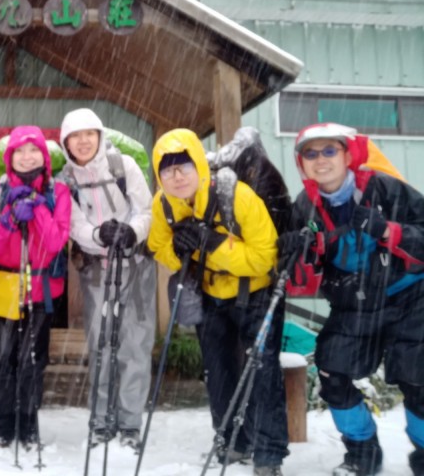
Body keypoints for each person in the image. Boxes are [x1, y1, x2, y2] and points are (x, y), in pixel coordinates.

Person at [279, 123, 424, 476]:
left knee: (417, 378)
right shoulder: (304, 208)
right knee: (332, 372)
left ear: (348, 155)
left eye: (329, 150)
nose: (321, 160)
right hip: (353, 306)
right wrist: (298, 254)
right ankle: (363, 452)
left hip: (408, 297)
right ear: (302, 162)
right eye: (310, 154)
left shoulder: (385, 188)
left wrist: (389, 231)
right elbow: (300, 282)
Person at [148, 128, 289, 476]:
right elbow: (158, 247)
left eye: (183, 167)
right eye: (167, 171)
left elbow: (265, 257)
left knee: (262, 371)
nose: (176, 177)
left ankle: (269, 454)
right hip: (209, 294)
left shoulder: (236, 197)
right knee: (217, 372)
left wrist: (210, 244)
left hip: (255, 292)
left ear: (199, 165)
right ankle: (232, 441)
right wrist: (178, 248)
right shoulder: (163, 204)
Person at [57, 108, 156, 450]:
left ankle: (129, 423)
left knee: (134, 345)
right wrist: (100, 234)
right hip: (97, 268)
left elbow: (147, 210)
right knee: (101, 344)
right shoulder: (65, 180)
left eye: (89, 134)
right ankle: (101, 420)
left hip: (136, 265)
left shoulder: (123, 166)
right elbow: (73, 225)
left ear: (99, 136)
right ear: (65, 141)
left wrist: (131, 231)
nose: (83, 141)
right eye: (75, 135)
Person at [0, 126, 71, 448]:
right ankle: (4, 425)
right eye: (19, 151)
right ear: (9, 156)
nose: (26, 157)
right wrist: (10, 218)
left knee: (32, 359)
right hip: (3, 283)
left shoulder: (59, 192)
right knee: (2, 358)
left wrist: (38, 206)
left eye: (33, 150)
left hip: (42, 286)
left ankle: (29, 425)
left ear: (43, 156)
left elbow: (56, 241)